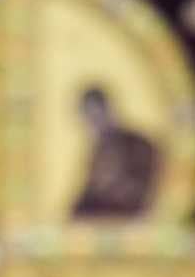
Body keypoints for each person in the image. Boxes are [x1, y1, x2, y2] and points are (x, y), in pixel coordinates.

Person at [69, 88, 162, 220]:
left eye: (95, 116)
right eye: (88, 119)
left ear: (108, 110)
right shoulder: (98, 151)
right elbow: (84, 200)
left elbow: (139, 195)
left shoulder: (140, 146)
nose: (93, 124)